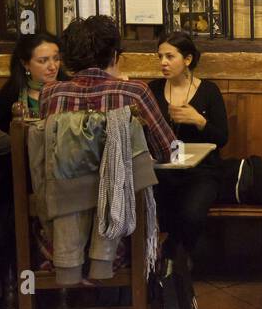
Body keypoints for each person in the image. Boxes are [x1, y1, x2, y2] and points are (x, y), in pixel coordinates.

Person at [39, 16, 173, 163]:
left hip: (65, 185)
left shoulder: (50, 92)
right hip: (122, 185)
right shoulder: (134, 91)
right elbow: (169, 151)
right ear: (114, 55)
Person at [147, 33, 228, 255]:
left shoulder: (208, 91)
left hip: (203, 171)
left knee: (191, 213)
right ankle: (168, 262)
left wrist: (199, 121)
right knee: (156, 209)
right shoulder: (153, 89)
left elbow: (222, 138)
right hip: (164, 170)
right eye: (160, 56)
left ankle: (177, 258)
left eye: (170, 56)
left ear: (188, 60)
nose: (163, 62)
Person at [0, 32, 65, 132]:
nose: (53, 67)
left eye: (56, 59)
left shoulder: (69, 87)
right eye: (43, 61)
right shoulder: (11, 93)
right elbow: (0, 134)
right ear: (25, 64)